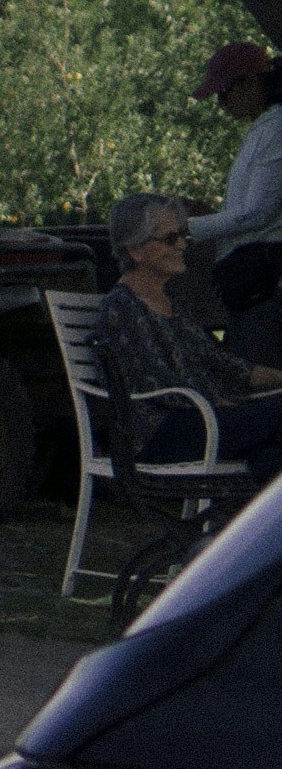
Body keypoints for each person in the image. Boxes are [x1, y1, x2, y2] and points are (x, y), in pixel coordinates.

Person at [96, 193, 282, 475]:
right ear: (136, 250)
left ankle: (244, 516)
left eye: (183, 235)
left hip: (201, 421)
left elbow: (226, 366)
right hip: (161, 434)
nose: (183, 245)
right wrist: (227, 407)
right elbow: (160, 384)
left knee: (271, 454)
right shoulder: (121, 309)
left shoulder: (172, 307)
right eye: (171, 239)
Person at [189, 42, 282, 322]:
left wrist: (187, 227)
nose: (221, 103)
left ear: (252, 84)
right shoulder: (263, 129)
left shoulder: (275, 130)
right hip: (249, 279)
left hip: (262, 281)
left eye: (224, 92)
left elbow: (258, 213)